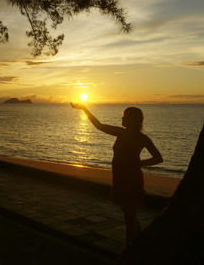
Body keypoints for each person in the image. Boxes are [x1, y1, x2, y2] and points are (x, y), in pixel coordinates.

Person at [70, 103, 163, 244]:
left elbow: (158, 158)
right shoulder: (121, 132)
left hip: (131, 179)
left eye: (124, 117)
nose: (122, 119)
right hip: (120, 178)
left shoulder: (141, 137)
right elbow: (99, 125)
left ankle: (130, 249)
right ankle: (138, 245)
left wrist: (141, 163)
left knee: (130, 217)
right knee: (130, 216)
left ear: (132, 119)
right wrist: (84, 109)